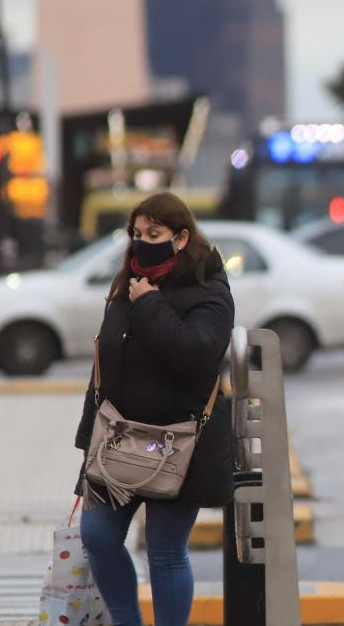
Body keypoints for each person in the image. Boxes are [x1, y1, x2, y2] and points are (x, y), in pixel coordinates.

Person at [74, 192, 235, 626]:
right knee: (98, 536)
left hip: (178, 442)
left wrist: (149, 304)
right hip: (120, 439)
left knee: (165, 551)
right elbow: (104, 361)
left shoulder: (209, 289)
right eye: (136, 233)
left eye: (154, 233)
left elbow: (195, 354)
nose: (142, 242)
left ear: (180, 238)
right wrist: (87, 436)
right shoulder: (128, 282)